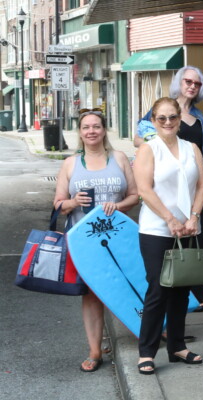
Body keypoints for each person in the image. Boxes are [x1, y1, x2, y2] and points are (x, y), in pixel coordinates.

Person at [53, 109, 139, 372]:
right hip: (86, 242)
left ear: (104, 130)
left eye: (96, 126)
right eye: (86, 127)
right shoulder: (70, 164)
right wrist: (72, 202)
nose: (91, 131)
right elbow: (57, 205)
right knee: (91, 295)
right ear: (80, 132)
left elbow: (135, 196)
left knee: (133, 284)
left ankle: (148, 332)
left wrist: (118, 205)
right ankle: (94, 351)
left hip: (119, 236)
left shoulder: (120, 158)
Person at [133, 97, 203, 375]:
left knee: (181, 289)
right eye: (161, 118)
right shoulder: (148, 150)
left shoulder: (192, 148)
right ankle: (146, 352)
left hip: (188, 227)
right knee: (158, 289)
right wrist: (170, 219)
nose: (167, 122)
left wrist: (193, 217)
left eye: (172, 117)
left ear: (179, 119)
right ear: (153, 121)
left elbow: (202, 186)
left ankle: (177, 345)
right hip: (156, 229)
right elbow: (144, 189)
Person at [134, 66, 203, 311]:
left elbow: (202, 152)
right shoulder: (161, 111)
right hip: (166, 185)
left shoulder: (199, 117)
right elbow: (140, 138)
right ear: (179, 82)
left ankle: (196, 292)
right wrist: (157, 149)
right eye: (187, 81)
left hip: (191, 187)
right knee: (163, 267)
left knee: (196, 245)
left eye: (197, 83)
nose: (192, 86)